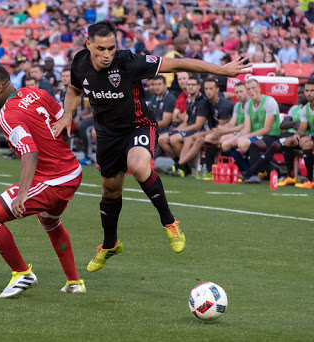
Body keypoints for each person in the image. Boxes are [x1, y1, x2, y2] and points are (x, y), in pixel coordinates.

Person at [52, 21, 250, 272]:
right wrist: (67, 114)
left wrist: (221, 70)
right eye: (101, 49)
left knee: (137, 165)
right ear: (88, 44)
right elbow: (73, 90)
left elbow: (178, 63)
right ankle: (110, 244)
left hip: (139, 126)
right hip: (107, 135)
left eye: (111, 48)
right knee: (110, 191)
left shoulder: (128, 62)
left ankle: (170, 223)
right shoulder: (80, 63)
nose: (106, 55)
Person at [0, 65, 85, 298]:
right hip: (72, 171)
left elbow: (30, 153)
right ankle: (74, 282)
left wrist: (22, 194)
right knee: (50, 222)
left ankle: (21, 273)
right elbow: (66, 123)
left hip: (53, 180)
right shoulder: (36, 93)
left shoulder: (7, 114)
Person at [173, 78, 232, 177]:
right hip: (213, 130)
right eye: (206, 89)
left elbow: (221, 129)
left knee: (199, 138)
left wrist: (202, 133)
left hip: (227, 131)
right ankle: (181, 166)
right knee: (189, 139)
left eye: (211, 89)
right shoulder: (207, 101)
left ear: (217, 89)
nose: (208, 91)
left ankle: (180, 165)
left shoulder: (223, 105)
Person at [205, 81, 248, 174]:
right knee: (210, 137)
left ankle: (235, 169)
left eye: (241, 92)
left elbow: (245, 126)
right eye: (237, 92)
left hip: (246, 132)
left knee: (223, 141)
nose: (239, 94)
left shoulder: (250, 105)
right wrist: (221, 129)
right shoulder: (238, 105)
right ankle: (210, 170)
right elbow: (232, 122)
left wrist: (225, 130)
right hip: (237, 131)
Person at [280, 79, 314, 188]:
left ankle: (309, 179)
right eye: (307, 90)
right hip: (310, 138)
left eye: (312, 90)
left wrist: (309, 137)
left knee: (307, 143)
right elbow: (302, 130)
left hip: (311, 139)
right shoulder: (305, 109)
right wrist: (296, 136)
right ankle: (291, 177)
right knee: (288, 141)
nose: (309, 93)